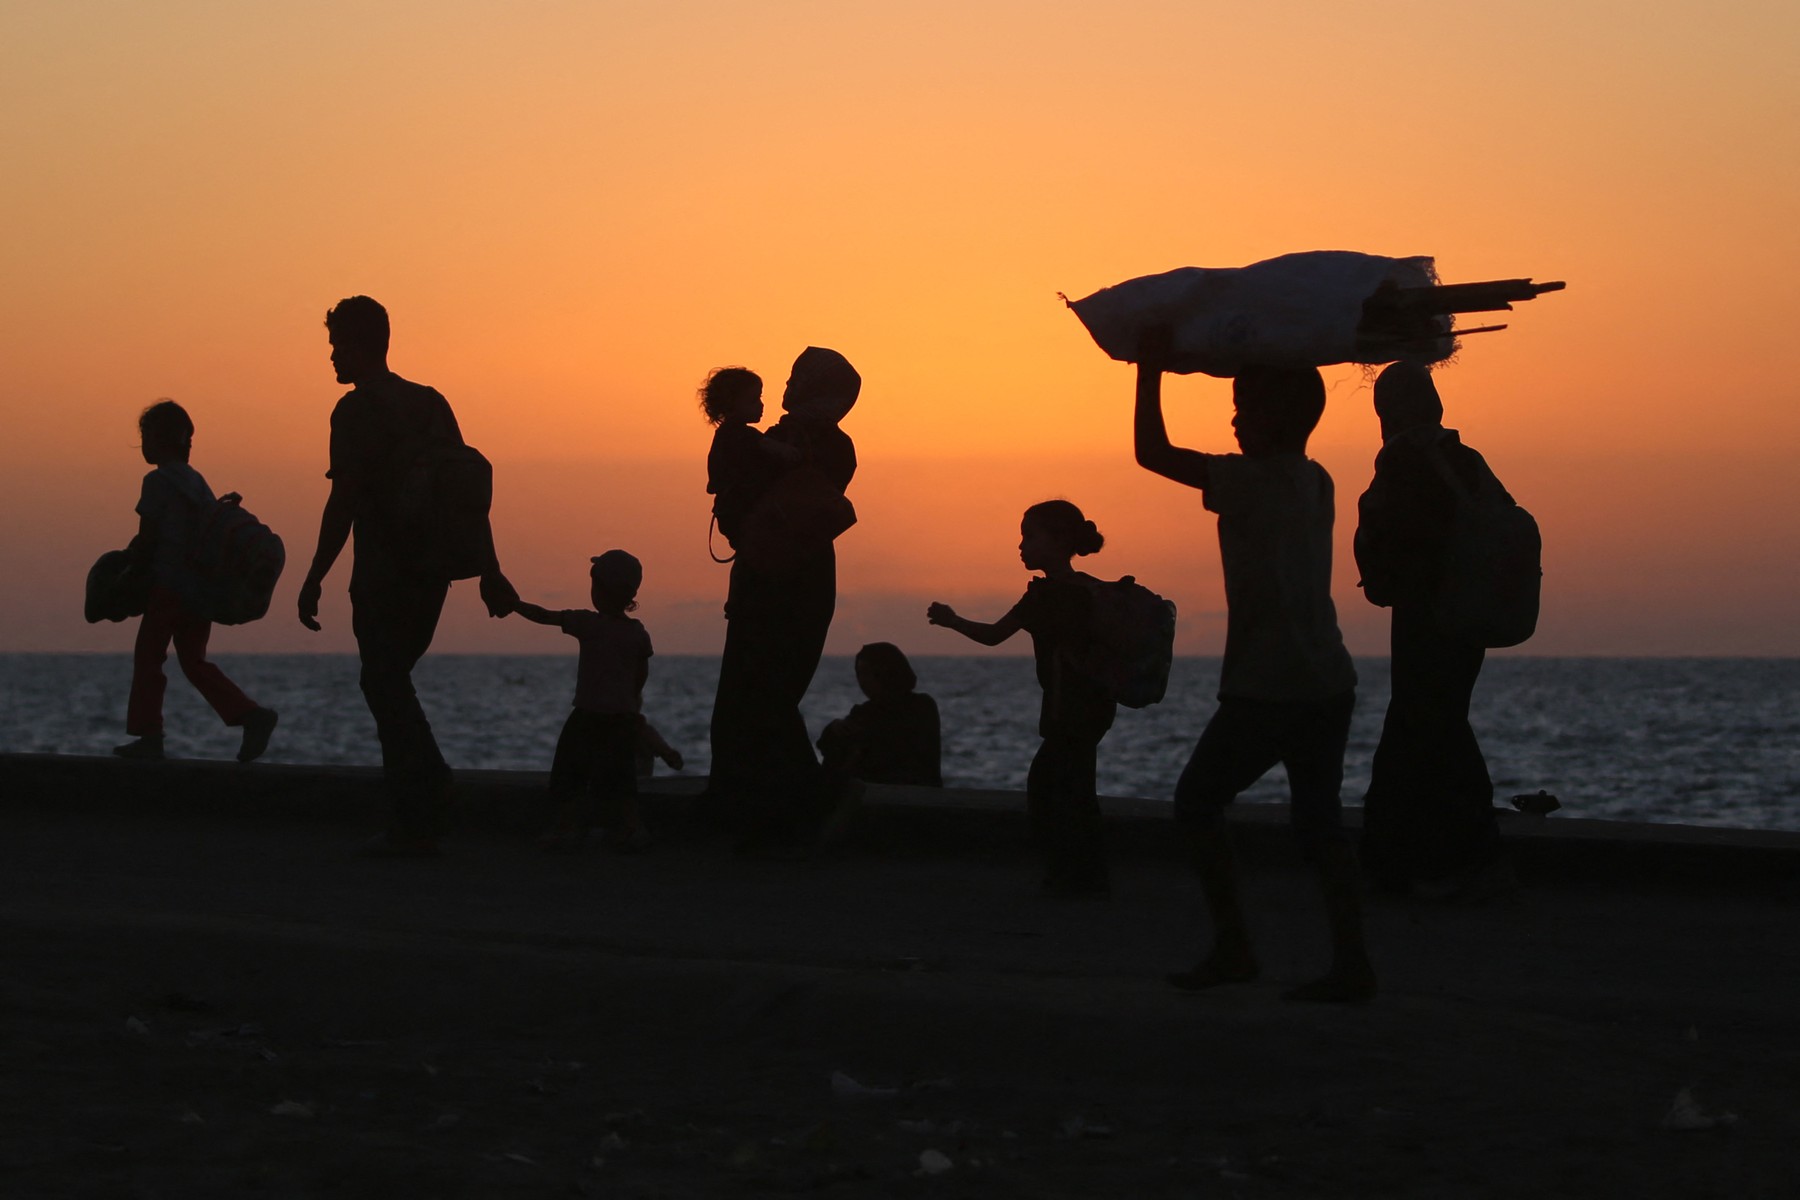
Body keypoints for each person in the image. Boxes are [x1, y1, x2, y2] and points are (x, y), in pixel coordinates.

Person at [1133, 327, 1375, 1002]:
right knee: (1320, 827)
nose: (1234, 418)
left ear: (1277, 416)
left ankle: (1236, 947)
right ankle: (1352, 961)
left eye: (1244, 407)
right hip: (1330, 678)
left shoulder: (1246, 480)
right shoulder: (1317, 479)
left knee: (1197, 803)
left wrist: (1149, 370)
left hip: (1271, 685)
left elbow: (1151, 453)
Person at [296, 296, 516, 857]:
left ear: (358, 344)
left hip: (383, 572)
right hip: (433, 574)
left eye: (336, 345)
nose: (331, 358)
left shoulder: (354, 412)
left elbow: (342, 501)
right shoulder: (430, 402)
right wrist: (490, 570)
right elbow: (468, 497)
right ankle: (417, 809)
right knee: (390, 681)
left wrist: (315, 575)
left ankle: (421, 802)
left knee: (382, 681)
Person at [1353, 361, 1510, 900]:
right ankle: (1440, 859)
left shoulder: (1402, 461)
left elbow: (1391, 544)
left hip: (1426, 620)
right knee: (1440, 728)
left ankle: (1403, 862)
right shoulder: (1467, 460)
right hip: (1469, 620)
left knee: (1419, 735)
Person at [705, 347, 859, 849]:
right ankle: (779, 814)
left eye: (797, 379)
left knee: (755, 699)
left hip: (779, 579)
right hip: (795, 575)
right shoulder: (825, 443)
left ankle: (790, 810)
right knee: (764, 696)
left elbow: (749, 494)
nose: (786, 388)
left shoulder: (800, 441)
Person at [928, 501, 1116, 896]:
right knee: (1076, 789)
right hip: (1094, 708)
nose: (1021, 545)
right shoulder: (1089, 590)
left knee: (1051, 790)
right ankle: (1085, 875)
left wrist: (952, 621)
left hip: (1068, 709)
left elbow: (994, 636)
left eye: (1030, 535)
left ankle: (1073, 876)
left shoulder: (1046, 597)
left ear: (1059, 540)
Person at [114, 400, 278, 763]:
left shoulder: (156, 481)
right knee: (194, 662)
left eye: (145, 436)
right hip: (198, 592)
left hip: (168, 588)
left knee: (148, 658)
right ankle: (251, 715)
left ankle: (149, 736)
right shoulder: (196, 482)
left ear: (159, 439)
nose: (143, 443)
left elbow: (149, 538)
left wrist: (127, 572)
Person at [509, 551, 658, 852]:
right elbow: (641, 673)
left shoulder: (587, 624)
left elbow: (545, 616)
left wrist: (514, 605)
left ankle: (567, 827)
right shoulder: (637, 633)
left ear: (600, 589)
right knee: (621, 778)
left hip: (588, 714)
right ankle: (630, 828)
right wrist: (630, 700)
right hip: (621, 716)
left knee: (569, 772)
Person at [816, 642, 943, 788]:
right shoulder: (864, 712)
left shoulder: (921, 706)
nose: (862, 681)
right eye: (859, 673)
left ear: (887, 673)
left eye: (866, 673)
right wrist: (835, 728)